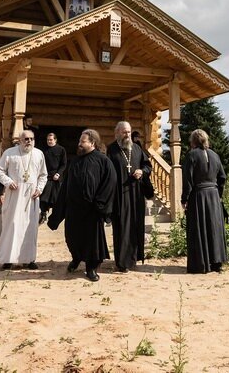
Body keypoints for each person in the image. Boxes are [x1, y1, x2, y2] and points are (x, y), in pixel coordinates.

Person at [47, 129, 116, 282]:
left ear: (92, 143)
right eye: (79, 141)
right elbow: (66, 186)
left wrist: (100, 204)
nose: (79, 144)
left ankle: (91, 268)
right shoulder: (75, 161)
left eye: (83, 141)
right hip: (74, 209)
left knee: (91, 241)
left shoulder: (103, 161)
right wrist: (60, 210)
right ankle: (76, 258)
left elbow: (110, 183)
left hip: (92, 210)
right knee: (72, 238)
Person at [0, 130, 47, 270]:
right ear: (20, 140)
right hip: (14, 195)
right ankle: (8, 259)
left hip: (32, 197)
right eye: (26, 139)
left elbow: (43, 175)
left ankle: (29, 260)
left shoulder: (39, 154)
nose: (29, 141)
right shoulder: (10, 153)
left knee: (30, 228)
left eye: (31, 139)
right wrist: (8, 181)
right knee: (13, 226)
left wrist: (39, 189)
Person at [181, 128, 227, 274]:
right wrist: (218, 194)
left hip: (198, 196)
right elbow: (222, 177)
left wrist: (184, 199)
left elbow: (187, 180)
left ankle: (201, 265)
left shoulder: (191, 155)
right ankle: (216, 263)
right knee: (214, 228)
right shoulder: (215, 155)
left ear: (193, 141)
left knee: (199, 229)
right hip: (213, 195)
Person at [107, 121, 151, 272]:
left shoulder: (137, 148)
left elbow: (147, 165)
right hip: (119, 195)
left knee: (136, 225)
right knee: (122, 227)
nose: (127, 135)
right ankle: (121, 262)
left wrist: (141, 171)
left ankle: (134, 258)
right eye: (124, 132)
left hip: (136, 194)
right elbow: (107, 173)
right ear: (117, 132)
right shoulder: (111, 150)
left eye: (129, 132)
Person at [38, 132, 67, 224]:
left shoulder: (61, 149)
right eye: (48, 140)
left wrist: (58, 174)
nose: (49, 141)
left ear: (55, 140)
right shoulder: (43, 150)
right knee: (43, 197)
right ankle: (43, 214)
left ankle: (55, 217)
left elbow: (64, 164)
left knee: (56, 198)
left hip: (56, 177)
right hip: (46, 176)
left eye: (51, 140)